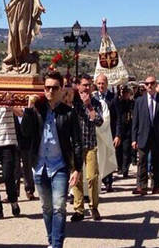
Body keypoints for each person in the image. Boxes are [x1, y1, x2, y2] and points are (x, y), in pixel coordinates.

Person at [16, 71, 82, 248]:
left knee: (59, 206)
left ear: (61, 90)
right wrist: (29, 109)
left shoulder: (69, 113)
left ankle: (57, 244)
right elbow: (25, 132)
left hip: (59, 165)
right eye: (47, 88)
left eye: (54, 88)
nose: (50, 91)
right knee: (46, 207)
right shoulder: (37, 109)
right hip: (39, 166)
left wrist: (77, 169)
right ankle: (51, 240)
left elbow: (77, 142)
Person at [131, 76, 159, 195]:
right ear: (144, 86)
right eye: (147, 84)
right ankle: (142, 186)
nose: (149, 86)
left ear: (156, 84)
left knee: (157, 161)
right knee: (142, 161)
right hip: (143, 135)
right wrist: (134, 139)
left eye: (152, 83)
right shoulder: (139, 101)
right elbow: (135, 121)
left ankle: (156, 186)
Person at [70, 75, 104, 222]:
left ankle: (93, 206)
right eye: (84, 85)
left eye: (89, 85)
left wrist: (89, 106)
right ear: (78, 86)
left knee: (92, 177)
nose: (86, 88)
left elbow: (99, 121)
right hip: (75, 146)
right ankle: (78, 209)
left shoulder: (95, 103)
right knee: (76, 178)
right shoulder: (73, 102)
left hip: (90, 144)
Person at [93, 74, 119, 193]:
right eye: (98, 83)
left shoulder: (113, 98)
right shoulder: (93, 98)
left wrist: (117, 134)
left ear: (107, 84)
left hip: (110, 132)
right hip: (96, 133)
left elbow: (118, 118)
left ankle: (108, 182)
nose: (101, 86)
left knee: (108, 154)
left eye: (103, 83)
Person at [115, 86, 134, 177]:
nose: (125, 94)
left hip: (128, 129)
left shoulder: (131, 103)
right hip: (120, 129)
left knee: (127, 150)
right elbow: (115, 102)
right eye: (123, 93)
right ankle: (119, 167)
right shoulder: (119, 103)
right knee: (118, 150)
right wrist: (118, 91)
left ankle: (125, 169)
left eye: (127, 93)